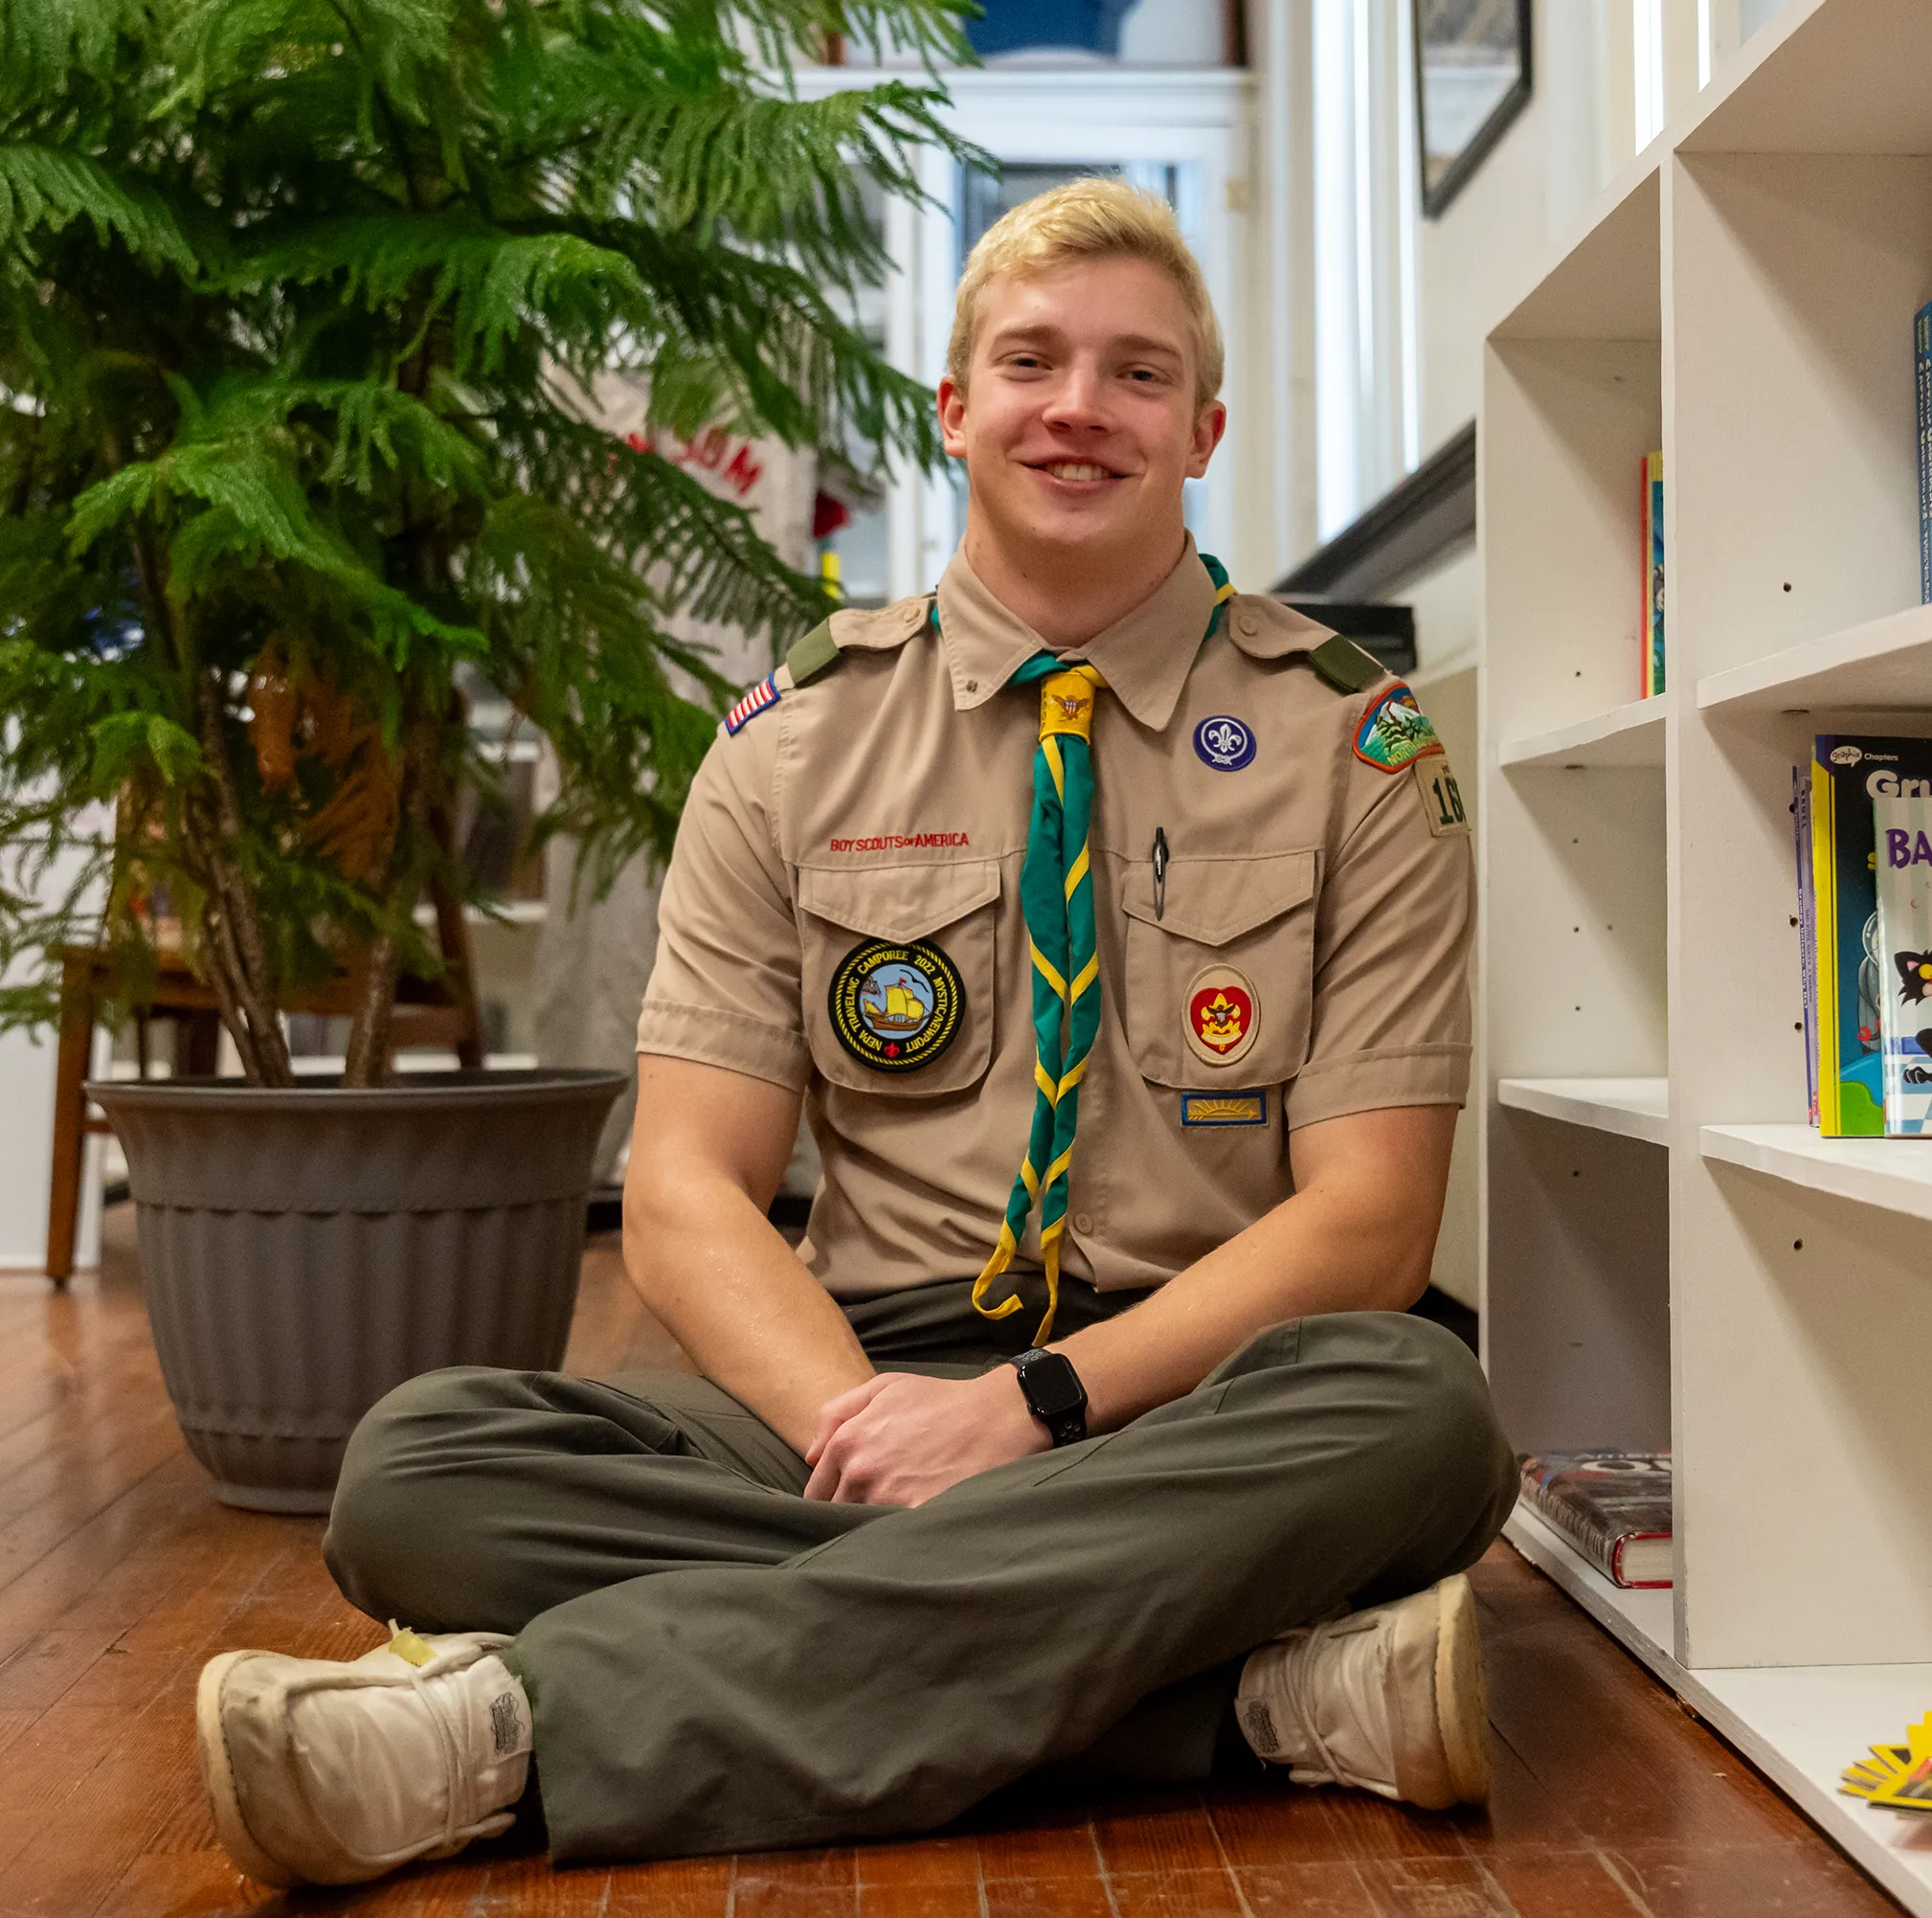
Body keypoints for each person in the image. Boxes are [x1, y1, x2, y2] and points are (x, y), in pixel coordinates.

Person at [189, 178, 1509, 1888]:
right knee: (418, 1470)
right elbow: (684, 1188)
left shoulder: (1358, 750)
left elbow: (1373, 1223)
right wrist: (880, 1440)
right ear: (955, 409)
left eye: (1138, 373)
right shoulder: (790, 746)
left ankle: (506, 1735)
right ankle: (1255, 1693)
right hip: (859, 1377)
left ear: (1203, 429)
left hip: (1197, 1386)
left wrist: (1029, 1410)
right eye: (1030, 362)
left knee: (1419, 1407)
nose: (1079, 407)